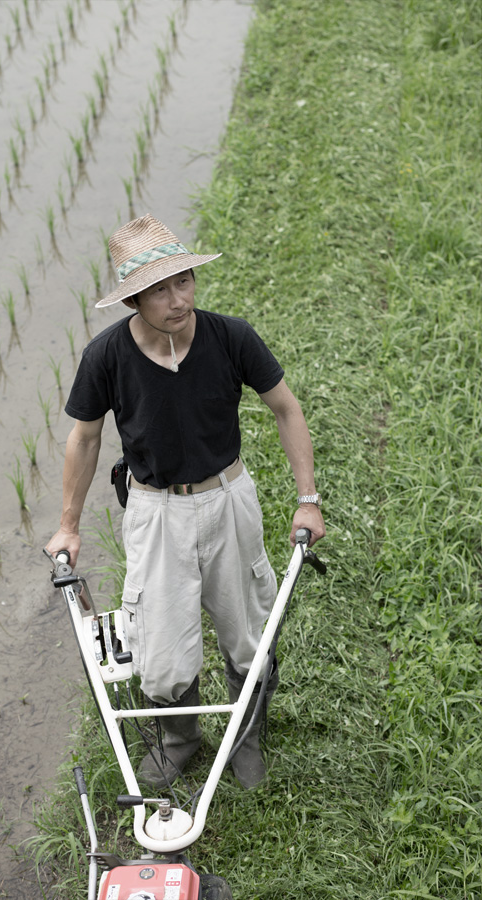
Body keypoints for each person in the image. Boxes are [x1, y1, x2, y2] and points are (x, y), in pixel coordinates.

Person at [46, 214, 325, 790]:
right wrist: (68, 525)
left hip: (227, 499)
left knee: (249, 629)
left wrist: (308, 499)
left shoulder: (230, 336)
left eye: (185, 282)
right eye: (159, 290)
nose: (178, 300)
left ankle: (246, 737)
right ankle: (181, 737)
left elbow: (287, 409)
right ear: (133, 301)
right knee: (161, 643)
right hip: (155, 509)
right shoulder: (107, 357)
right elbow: (86, 436)